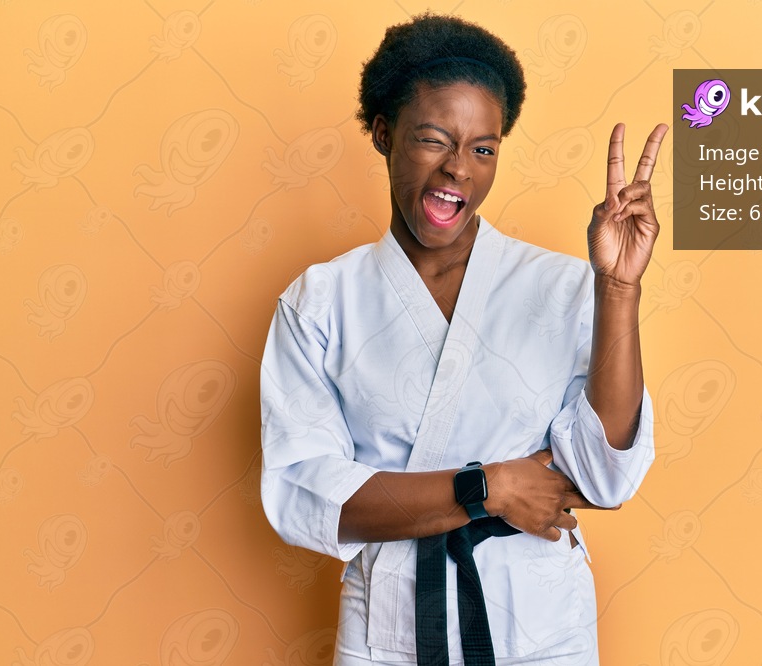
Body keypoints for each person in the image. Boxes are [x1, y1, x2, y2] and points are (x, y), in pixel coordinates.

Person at [260, 12, 666, 666]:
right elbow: (308, 495)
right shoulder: (320, 302)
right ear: (385, 134)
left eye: (483, 148)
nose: (459, 170)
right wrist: (489, 487)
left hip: (541, 626)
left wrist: (619, 289)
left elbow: (605, 472)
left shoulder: (565, 286)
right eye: (433, 139)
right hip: (388, 629)